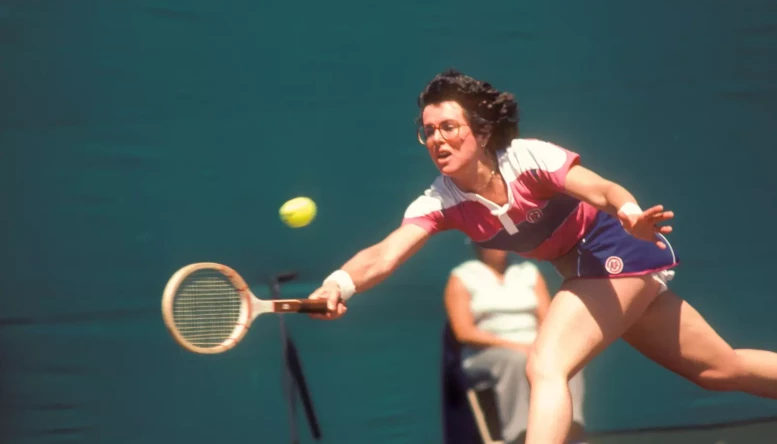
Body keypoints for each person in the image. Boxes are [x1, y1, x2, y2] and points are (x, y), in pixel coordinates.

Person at [307, 68, 777, 444]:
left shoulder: (528, 158)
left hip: (615, 249)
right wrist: (339, 283)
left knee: (545, 365)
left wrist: (629, 211)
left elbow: (602, 189)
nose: (437, 140)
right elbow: (386, 253)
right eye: (428, 132)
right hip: (585, 270)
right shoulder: (441, 201)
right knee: (719, 369)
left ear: (482, 131)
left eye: (448, 127)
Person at [445, 244, 586, 443]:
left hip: (533, 347)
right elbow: (464, 332)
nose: (498, 247)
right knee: (515, 360)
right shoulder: (462, 277)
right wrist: (514, 346)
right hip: (485, 354)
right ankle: (520, 436)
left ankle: (571, 432)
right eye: (490, 242)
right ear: (478, 245)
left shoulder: (528, 272)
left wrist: (540, 347)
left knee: (566, 361)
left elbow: (548, 319)